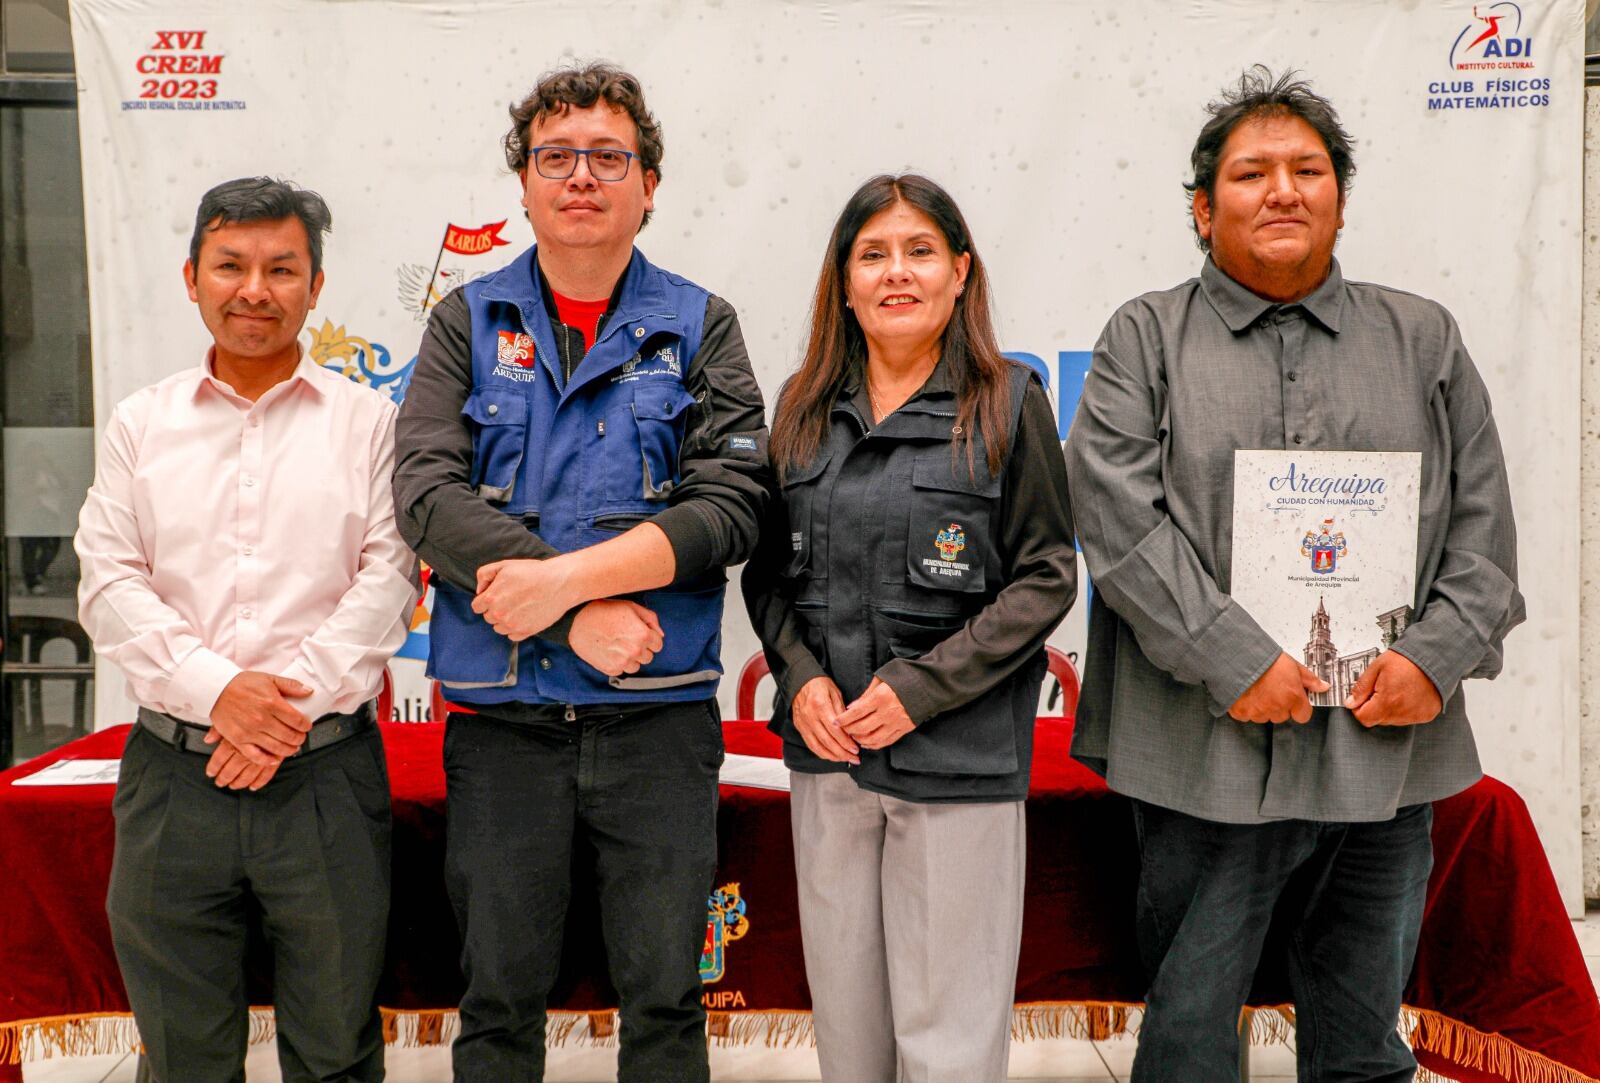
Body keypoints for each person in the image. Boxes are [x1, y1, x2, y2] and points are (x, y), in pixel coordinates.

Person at [1065, 67, 1524, 1082]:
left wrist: (1432, 661)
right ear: (1201, 208)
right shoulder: (1143, 339)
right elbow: (1117, 524)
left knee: (1363, 1042)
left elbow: (1484, 533)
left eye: (1306, 169)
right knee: (1189, 1036)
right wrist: (1231, 657)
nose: (1281, 190)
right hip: (1202, 744)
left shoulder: (1423, 339)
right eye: (1250, 172)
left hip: (1388, 746)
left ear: (1340, 199)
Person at [391, 63, 769, 1083]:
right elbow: (425, 497)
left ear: (650, 184)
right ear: (521, 183)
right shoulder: (465, 323)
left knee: (664, 1001)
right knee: (500, 1002)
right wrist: (573, 617)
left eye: (610, 156)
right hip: (504, 726)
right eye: (556, 156)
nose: (582, 178)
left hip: (656, 718)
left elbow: (731, 508)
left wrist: (561, 588)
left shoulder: (702, 325)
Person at [75, 177, 419, 1083]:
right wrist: (219, 691)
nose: (254, 289)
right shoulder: (141, 424)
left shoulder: (372, 423)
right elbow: (108, 582)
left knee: (336, 1050)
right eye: (230, 265)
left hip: (326, 779)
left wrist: (280, 716)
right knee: (183, 1054)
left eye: (280, 268)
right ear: (192, 277)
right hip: (171, 780)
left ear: (315, 284)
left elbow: (388, 582)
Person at [742, 173, 1076, 1083]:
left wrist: (920, 689)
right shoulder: (802, 408)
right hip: (831, 761)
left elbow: (1048, 573)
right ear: (843, 281)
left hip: (956, 762)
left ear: (960, 272)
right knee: (850, 1042)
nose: (898, 273)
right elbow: (769, 571)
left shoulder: (1008, 402)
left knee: (949, 1045)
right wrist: (800, 675)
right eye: (874, 254)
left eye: (921, 251)